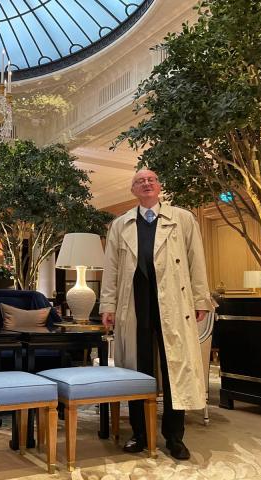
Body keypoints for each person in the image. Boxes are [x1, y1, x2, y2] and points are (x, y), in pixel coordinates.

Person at [99, 169, 212, 460]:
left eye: (151, 180)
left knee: (175, 368)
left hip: (173, 303)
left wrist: (200, 299)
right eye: (140, 181)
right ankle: (140, 433)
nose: (146, 183)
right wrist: (108, 305)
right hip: (135, 303)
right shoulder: (120, 224)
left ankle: (174, 437)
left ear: (159, 186)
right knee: (138, 370)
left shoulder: (182, 218)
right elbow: (111, 269)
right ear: (133, 190)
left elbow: (196, 260)